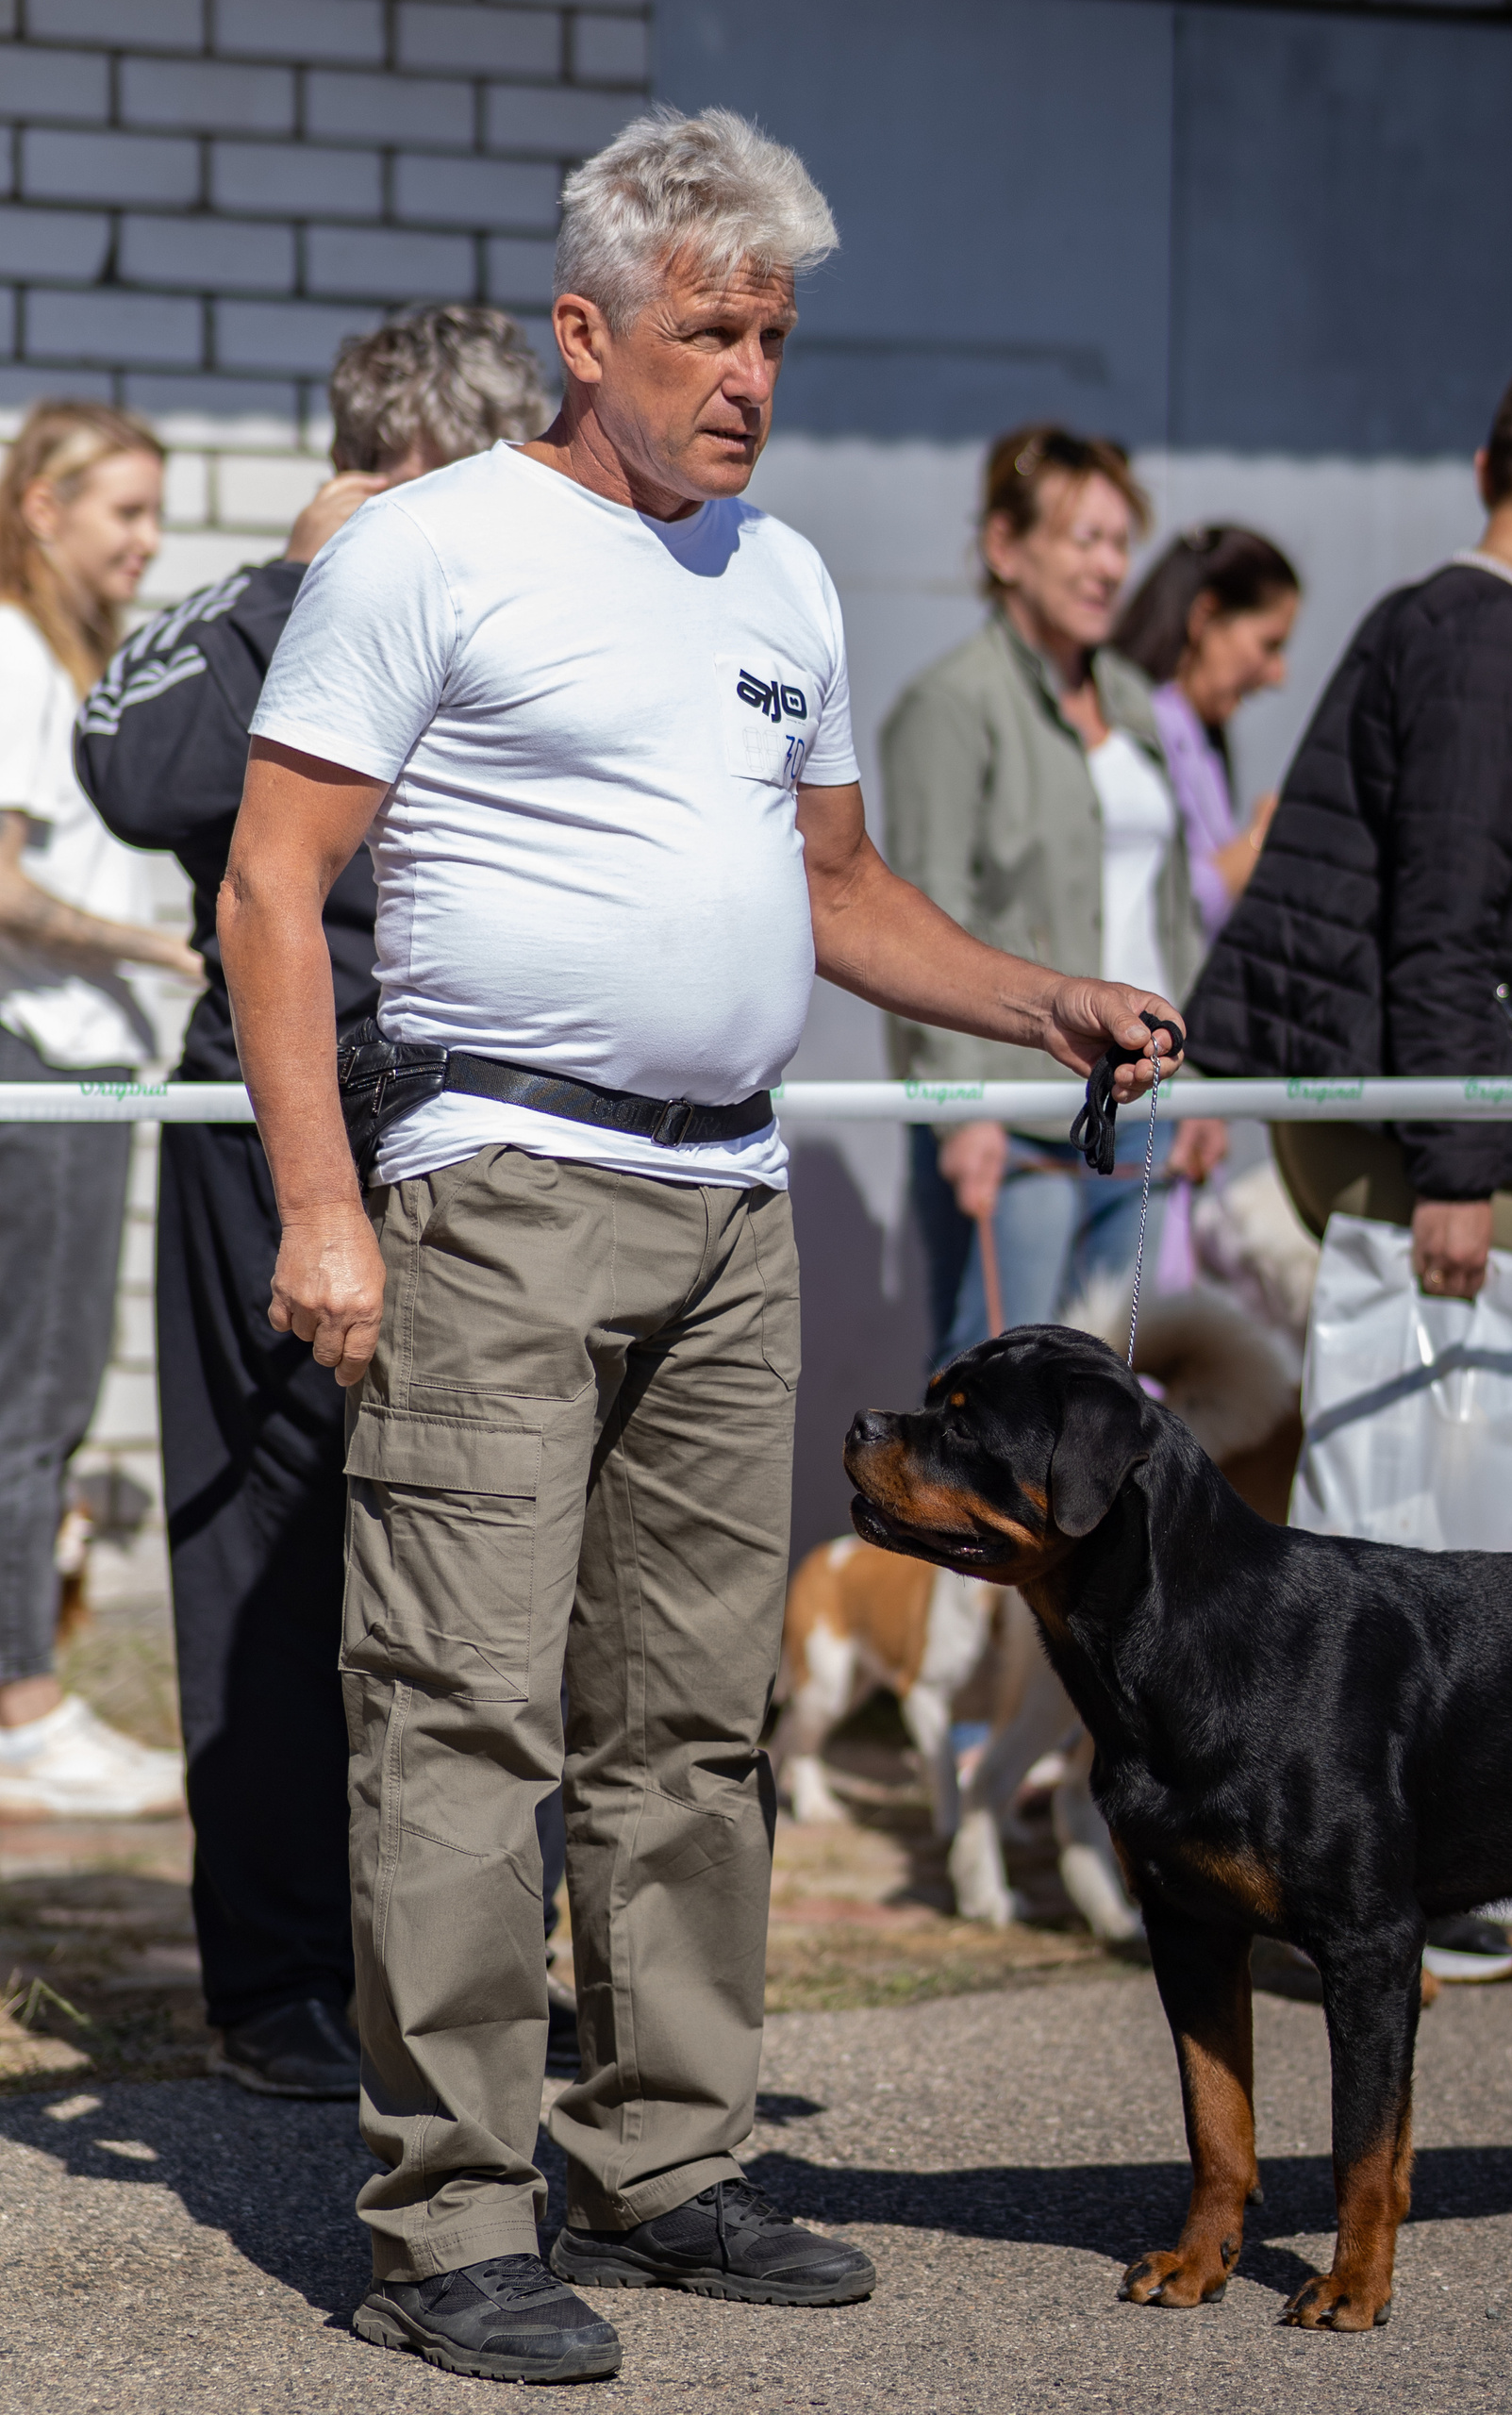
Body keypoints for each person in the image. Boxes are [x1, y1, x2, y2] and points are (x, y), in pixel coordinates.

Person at [220, 108, 1185, 2387]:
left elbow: (833, 888)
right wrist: (326, 1206)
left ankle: (664, 2156)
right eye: (706, 331)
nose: (749, 375)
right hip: (495, 1189)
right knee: (463, 1710)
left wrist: (1033, 997)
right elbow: (271, 884)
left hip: (729, 1201)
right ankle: (451, 2219)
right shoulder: (433, 549)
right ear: (584, 332)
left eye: (773, 335)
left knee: (689, 1710)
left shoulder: (784, 577)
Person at [76, 308, 553, 2100]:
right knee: (260, 1554)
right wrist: (293, 583)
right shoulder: (281, 606)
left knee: (499, 1562)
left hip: (485, 1116)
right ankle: (277, 1978)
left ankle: (481, 1961)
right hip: (262, 1124)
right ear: (394, 468)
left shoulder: (541, 592)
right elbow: (130, 768)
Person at [1185, 332, 1512, 1984]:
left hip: (1402, 1122)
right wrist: (1463, 1155)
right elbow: (1446, 924)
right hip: (1431, 1144)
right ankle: (1377, 1886)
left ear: (1486, 470)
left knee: (1439, 1513)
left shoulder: (1436, 625)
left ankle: (1390, 1870)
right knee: (1429, 1527)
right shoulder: (1492, 645)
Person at [884, 428, 1221, 1368]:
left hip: (1141, 1106)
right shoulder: (951, 703)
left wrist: (1202, 1084)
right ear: (1005, 546)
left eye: (1121, 542)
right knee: (999, 1389)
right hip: (1014, 1115)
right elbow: (920, 911)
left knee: (1113, 1396)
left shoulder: (1135, 699)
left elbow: (1173, 915)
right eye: (1084, 539)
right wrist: (962, 1113)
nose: (1110, 566)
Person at [0, 400, 197, 1823]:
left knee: (42, 1392)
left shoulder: (58, 655)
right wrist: (163, 951)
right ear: (42, 510)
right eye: (124, 512)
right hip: (50, 1064)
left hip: (72, 1063)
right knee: (41, 1394)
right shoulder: (18, 657)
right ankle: (24, 1708)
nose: (148, 541)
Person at [1110, 523, 1301, 941]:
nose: (1278, 674)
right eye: (1269, 645)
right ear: (1206, 617)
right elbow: (1166, 905)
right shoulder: (1139, 731)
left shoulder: (1199, 738)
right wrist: (1260, 841)